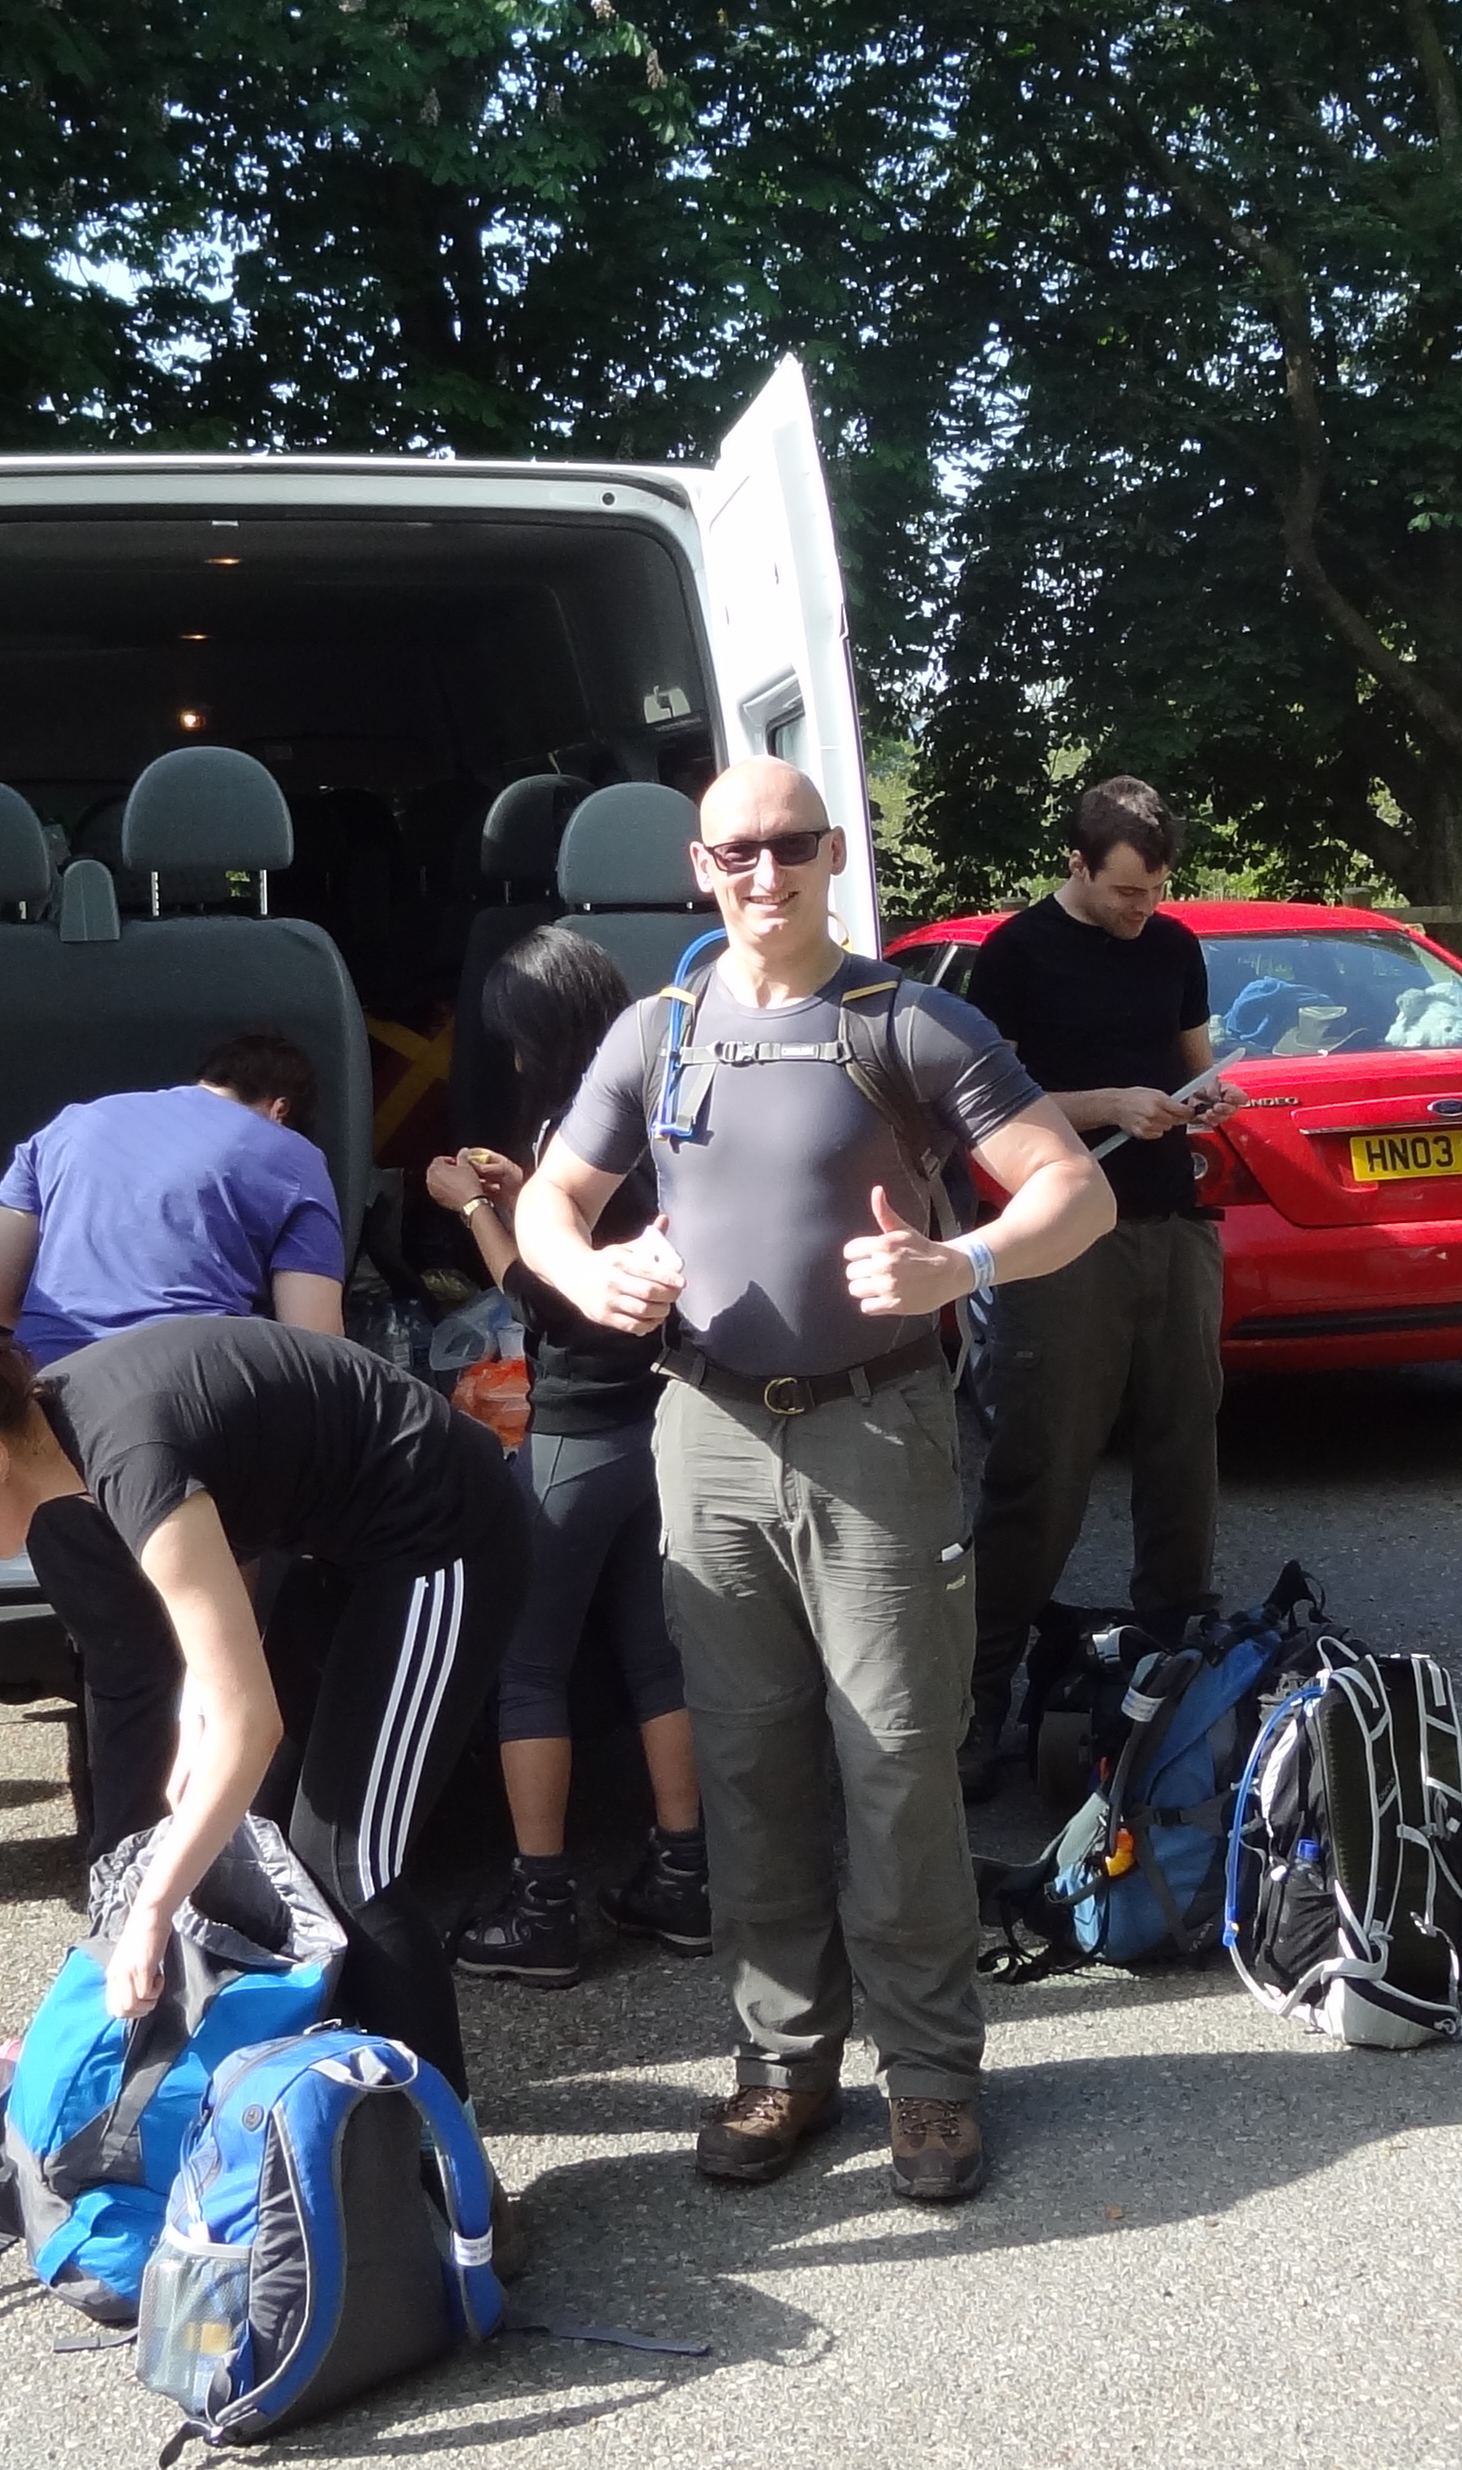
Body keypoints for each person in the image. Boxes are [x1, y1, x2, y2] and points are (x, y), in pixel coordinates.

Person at [518, 759, 1112, 2206]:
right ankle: (784, 2060)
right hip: (705, 1430)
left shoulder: (907, 1022)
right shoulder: (657, 1032)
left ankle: (931, 2077)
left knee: (897, 1761)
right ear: (700, 867)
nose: (764, 874)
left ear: (833, 853)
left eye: (790, 846)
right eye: (737, 852)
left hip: (876, 1432)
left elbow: (1075, 1190)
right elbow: (548, 1200)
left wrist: (961, 1261)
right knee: (746, 1762)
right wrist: (588, 1273)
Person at [0, 1316, 519, 2096]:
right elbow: (214, 1597)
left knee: (351, 1863)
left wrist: (151, 1911)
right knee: (267, 1844)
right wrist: (200, 1710)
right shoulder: (64, 1433)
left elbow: (251, 1724)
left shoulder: (130, 1459)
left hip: (442, 1535)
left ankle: (443, 2146)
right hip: (338, 1549)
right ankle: (323, 2101)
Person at [420, 928, 710, 1987]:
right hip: (663, 1420)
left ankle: (542, 1906)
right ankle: (685, 1876)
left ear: (534, 1037)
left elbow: (547, 1298)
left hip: (578, 1430)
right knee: (656, 1656)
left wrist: (476, 1213)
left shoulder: (572, 1127)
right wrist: (518, 1187)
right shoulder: (659, 1113)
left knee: (529, 1667)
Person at [960, 775, 1228, 1797]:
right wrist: (1109, 1102)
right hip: (1059, 1243)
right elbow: (984, 1109)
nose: (1143, 907)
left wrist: (1205, 1101)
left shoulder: (1174, 946)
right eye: (1124, 890)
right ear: (1075, 863)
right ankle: (975, 1704)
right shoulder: (1015, 954)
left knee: (1183, 1459)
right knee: (1041, 1475)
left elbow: (1195, 1067)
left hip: (1172, 1228)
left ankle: (1183, 1689)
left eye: (1157, 888)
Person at [0, 1031, 346, 1361]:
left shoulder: (68, 1125)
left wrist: (68, 1337)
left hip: (49, 1374)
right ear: (280, 1110)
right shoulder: (294, 1154)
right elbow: (315, 1341)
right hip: (194, 1376)